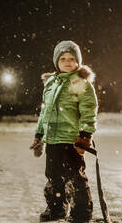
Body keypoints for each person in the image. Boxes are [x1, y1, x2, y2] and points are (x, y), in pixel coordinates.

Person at [29, 40, 98, 223]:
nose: (67, 62)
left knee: (75, 178)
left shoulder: (78, 82)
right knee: (53, 177)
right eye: (63, 58)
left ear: (78, 62)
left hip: (70, 140)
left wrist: (84, 136)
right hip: (52, 139)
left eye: (72, 58)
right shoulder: (51, 83)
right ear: (56, 62)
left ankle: (81, 213)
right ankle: (56, 208)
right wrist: (39, 135)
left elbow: (88, 110)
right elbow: (45, 112)